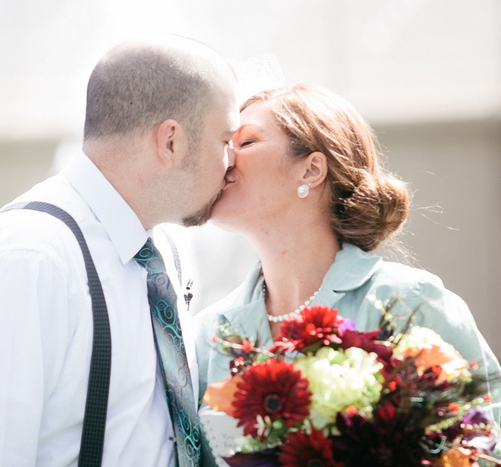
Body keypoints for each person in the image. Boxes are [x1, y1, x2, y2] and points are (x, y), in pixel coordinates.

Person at [0, 36, 239, 467]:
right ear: (171, 142)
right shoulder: (28, 260)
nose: (233, 160)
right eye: (225, 140)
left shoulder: (162, 248)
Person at [193, 83, 501, 465]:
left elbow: (482, 447)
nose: (225, 158)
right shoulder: (208, 334)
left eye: (247, 142)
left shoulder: (410, 304)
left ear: (311, 169)